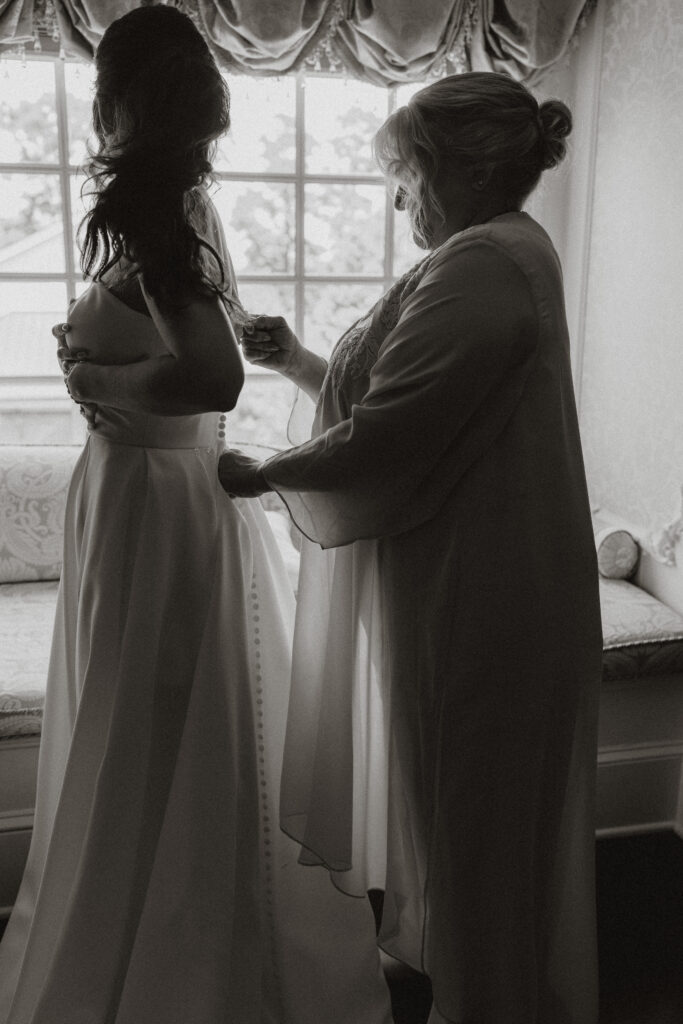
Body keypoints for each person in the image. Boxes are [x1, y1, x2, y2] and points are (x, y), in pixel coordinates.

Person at [0, 8, 392, 1024]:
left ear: (123, 94)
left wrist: (96, 374)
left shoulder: (161, 210)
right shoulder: (170, 204)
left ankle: (169, 966)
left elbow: (210, 377)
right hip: (136, 500)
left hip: (157, 506)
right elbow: (178, 342)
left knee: (152, 724)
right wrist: (102, 356)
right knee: (135, 719)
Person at [220, 72, 603, 1024]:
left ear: (461, 169)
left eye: (405, 178)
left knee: (474, 830)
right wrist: (300, 362)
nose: (398, 202)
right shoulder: (495, 253)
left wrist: (262, 474)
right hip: (470, 585)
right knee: (466, 827)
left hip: (484, 604)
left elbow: (393, 431)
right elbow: (413, 401)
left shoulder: (484, 264)